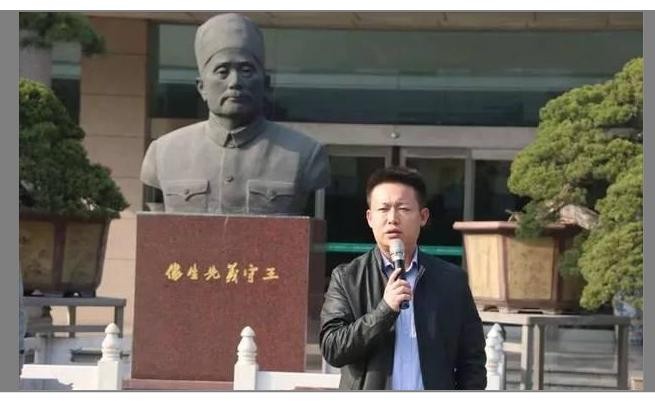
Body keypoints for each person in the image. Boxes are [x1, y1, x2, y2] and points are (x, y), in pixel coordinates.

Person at [140, 13, 330, 215]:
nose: (235, 82)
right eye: (222, 71)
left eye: (246, 70)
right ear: (202, 87)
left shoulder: (305, 154)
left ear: (266, 84)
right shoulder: (163, 152)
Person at [319, 166, 486, 390]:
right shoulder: (347, 278)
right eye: (383, 209)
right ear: (370, 218)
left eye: (403, 209)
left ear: (423, 217)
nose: (392, 219)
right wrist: (384, 311)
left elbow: (472, 361)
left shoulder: (452, 281)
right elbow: (332, 348)